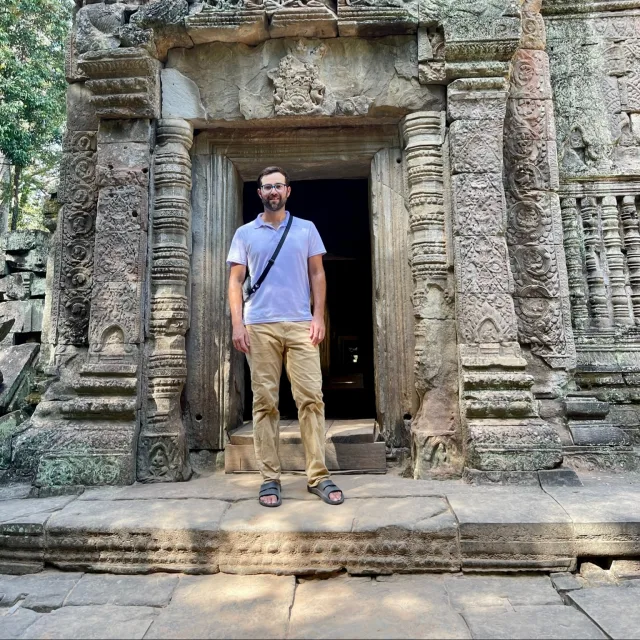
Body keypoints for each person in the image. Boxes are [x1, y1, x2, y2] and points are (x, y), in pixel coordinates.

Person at [227, 166, 344, 508]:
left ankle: (318, 475)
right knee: (265, 404)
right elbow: (235, 281)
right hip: (259, 325)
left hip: (299, 324)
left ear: (288, 191)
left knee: (311, 398)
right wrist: (237, 324)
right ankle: (269, 478)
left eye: (278, 186)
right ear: (259, 193)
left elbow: (318, 273)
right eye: (267, 187)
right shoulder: (246, 233)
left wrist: (318, 316)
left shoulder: (306, 229)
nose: (273, 192)